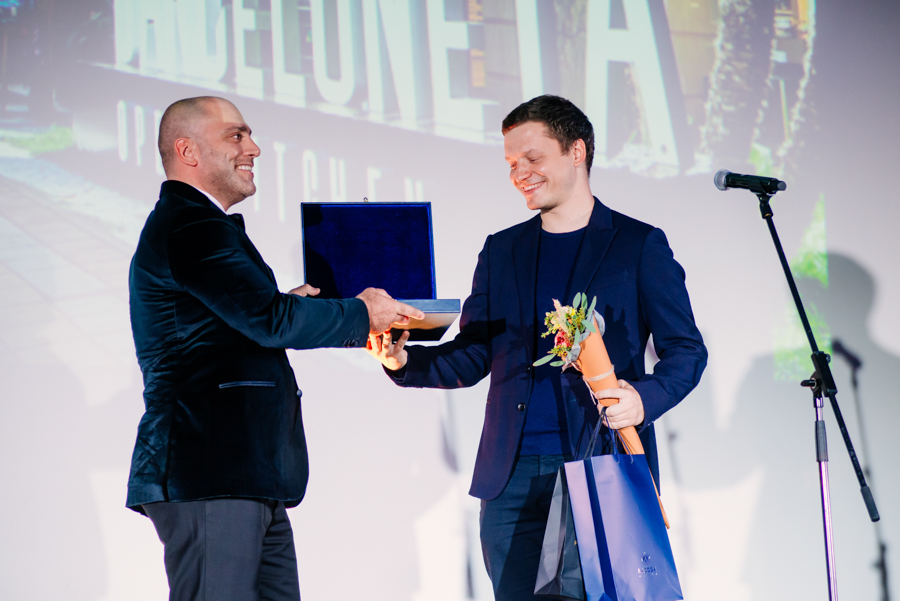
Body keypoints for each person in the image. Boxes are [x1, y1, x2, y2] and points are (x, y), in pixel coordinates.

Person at [367, 95, 708, 599]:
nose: (519, 174)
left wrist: (642, 399)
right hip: (510, 476)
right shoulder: (502, 249)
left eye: (532, 158)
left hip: (599, 462)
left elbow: (686, 351)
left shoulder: (638, 244)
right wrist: (401, 360)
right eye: (511, 163)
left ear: (577, 151)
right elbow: (475, 352)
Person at [127, 96, 422, 601]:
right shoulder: (191, 224)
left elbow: (240, 323)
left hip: (242, 475)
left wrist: (290, 306)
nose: (254, 148)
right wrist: (361, 314)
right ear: (187, 150)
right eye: (236, 136)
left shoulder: (197, 224)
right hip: (211, 472)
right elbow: (269, 321)